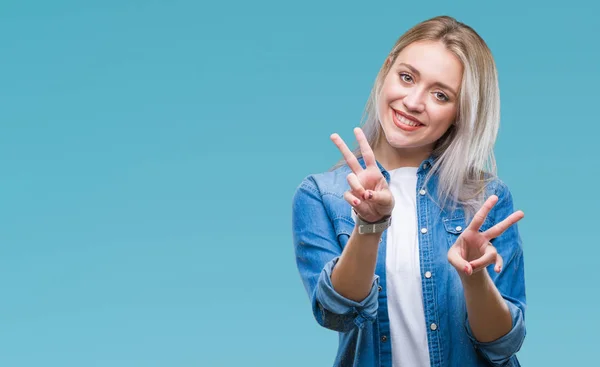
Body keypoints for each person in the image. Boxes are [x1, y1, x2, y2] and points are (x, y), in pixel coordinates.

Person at [291, 15, 527, 367]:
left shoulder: (485, 197)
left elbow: (501, 345)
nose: (414, 101)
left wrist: (475, 278)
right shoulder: (321, 195)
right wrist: (370, 226)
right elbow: (336, 313)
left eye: (440, 94)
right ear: (387, 70)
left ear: (459, 112)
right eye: (406, 77)